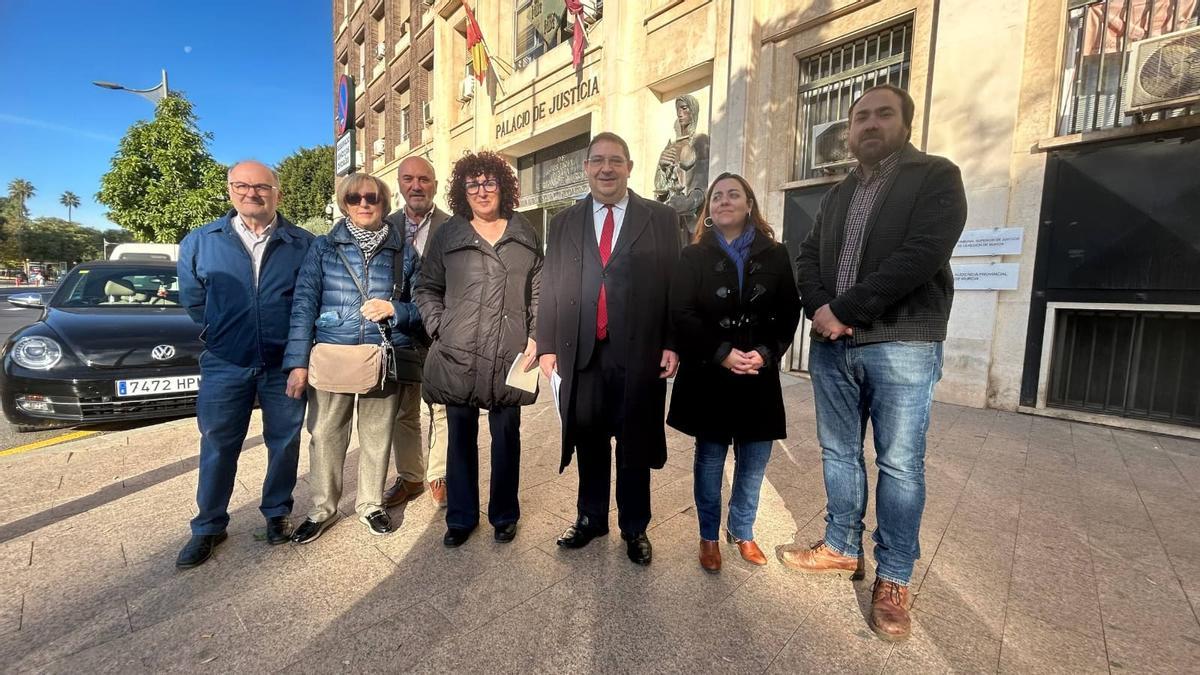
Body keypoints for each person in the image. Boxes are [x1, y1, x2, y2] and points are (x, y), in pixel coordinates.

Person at [783, 85, 967, 642]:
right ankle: (841, 546)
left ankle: (894, 579)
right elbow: (808, 257)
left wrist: (845, 309)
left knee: (900, 465)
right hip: (833, 347)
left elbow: (921, 257)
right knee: (839, 452)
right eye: (860, 116)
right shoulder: (839, 193)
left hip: (902, 343)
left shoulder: (936, 176)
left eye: (882, 114)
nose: (868, 124)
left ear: (906, 123)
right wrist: (818, 308)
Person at [538, 132, 681, 566]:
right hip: (581, 352)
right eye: (597, 160)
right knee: (589, 440)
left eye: (615, 161)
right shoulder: (564, 221)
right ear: (585, 168)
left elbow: (675, 285)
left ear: (629, 167)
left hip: (638, 354)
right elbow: (551, 284)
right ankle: (591, 517)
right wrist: (546, 344)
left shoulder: (660, 218)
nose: (606, 168)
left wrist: (673, 342)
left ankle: (634, 527)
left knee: (634, 442)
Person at [175, 160, 315, 569]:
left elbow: (308, 304)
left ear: (277, 193)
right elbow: (194, 301)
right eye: (242, 185)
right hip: (224, 363)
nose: (251, 193)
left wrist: (298, 358)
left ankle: (276, 513)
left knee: (284, 442)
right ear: (230, 190)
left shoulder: (302, 243)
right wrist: (221, 334)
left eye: (262, 187)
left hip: (283, 364)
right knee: (219, 444)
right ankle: (208, 526)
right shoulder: (201, 242)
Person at [667, 172, 801, 573]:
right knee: (709, 459)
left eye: (733, 194)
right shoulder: (693, 256)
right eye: (717, 196)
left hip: (758, 375)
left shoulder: (775, 254)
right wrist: (721, 352)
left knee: (755, 458)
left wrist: (765, 353)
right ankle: (709, 535)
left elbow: (789, 311)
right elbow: (682, 312)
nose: (724, 200)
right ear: (709, 209)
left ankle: (742, 530)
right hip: (709, 373)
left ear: (748, 204)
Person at [283, 173, 424, 543]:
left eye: (372, 198)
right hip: (332, 355)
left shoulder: (404, 252)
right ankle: (322, 508)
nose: (364, 204)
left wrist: (395, 308)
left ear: (384, 203)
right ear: (345, 203)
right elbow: (303, 305)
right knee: (326, 434)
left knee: (377, 436)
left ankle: (370, 504)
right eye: (355, 198)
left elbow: (424, 303)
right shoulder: (323, 248)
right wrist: (297, 362)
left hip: (382, 356)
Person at [414, 151, 542, 547]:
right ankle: (462, 517)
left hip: (510, 352)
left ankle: (505, 515)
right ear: (461, 191)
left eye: (489, 183)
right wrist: (440, 326)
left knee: (507, 437)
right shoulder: (449, 234)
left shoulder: (524, 232)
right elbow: (426, 287)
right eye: (473, 184)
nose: (482, 191)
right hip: (459, 352)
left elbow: (539, 290)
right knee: (460, 436)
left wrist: (537, 336)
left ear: (503, 187)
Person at [382, 156, 452, 510]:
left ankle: (439, 473)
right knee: (403, 411)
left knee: (441, 408)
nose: (416, 186)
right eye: (408, 179)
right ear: (399, 183)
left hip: (441, 334)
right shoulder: (385, 224)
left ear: (435, 185)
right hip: (400, 333)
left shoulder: (454, 226)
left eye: (424, 179)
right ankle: (410, 477)